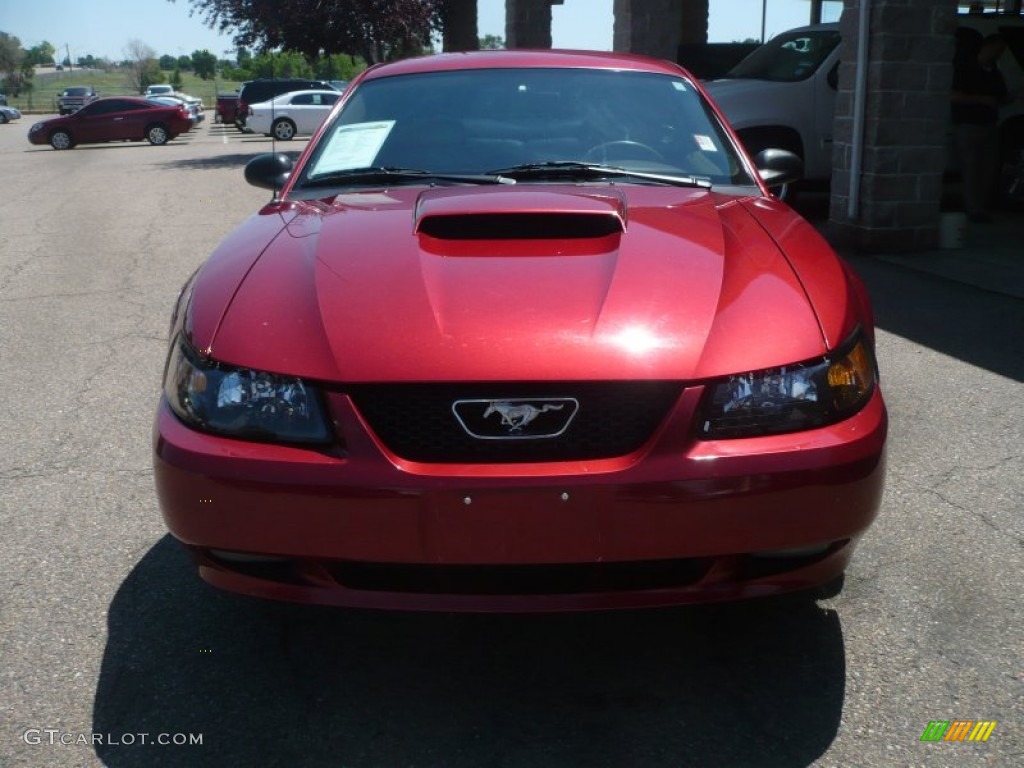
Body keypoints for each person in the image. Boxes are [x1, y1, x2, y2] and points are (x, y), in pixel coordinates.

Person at [951, 30, 1009, 223]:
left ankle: (980, 207)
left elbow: (1001, 97)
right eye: (998, 50)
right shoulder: (966, 68)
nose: (999, 54)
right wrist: (981, 100)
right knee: (972, 168)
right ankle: (974, 209)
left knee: (987, 169)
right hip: (968, 125)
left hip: (989, 125)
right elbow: (953, 95)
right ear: (987, 47)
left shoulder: (994, 72)